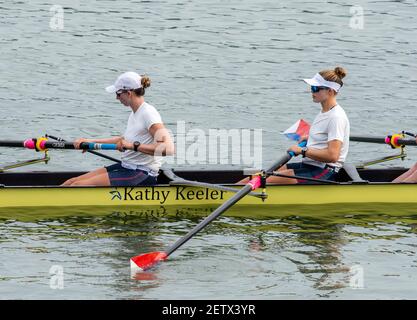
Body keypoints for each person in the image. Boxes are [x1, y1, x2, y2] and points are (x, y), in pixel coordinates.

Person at [239, 67, 350, 185]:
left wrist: (303, 150)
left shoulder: (336, 117)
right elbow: (325, 138)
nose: (312, 92)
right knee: (255, 178)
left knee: (260, 181)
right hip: (310, 165)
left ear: (330, 91)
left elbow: (333, 156)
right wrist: (311, 139)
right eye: (311, 88)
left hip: (324, 172)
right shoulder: (325, 111)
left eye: (316, 88)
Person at [62, 71, 175, 186]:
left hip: (142, 173)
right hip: (127, 166)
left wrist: (132, 146)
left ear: (129, 93)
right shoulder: (135, 113)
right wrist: (90, 141)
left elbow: (168, 148)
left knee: (77, 186)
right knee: (71, 182)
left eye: (118, 93)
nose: (116, 97)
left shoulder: (148, 113)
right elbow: (123, 140)